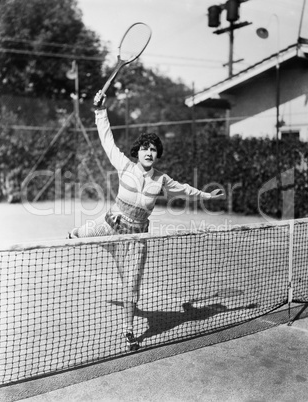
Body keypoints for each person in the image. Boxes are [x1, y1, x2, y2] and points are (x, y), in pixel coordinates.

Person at [69, 90, 224, 351]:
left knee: (131, 286)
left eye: (153, 149)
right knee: (77, 235)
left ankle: (128, 331)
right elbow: (107, 140)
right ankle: (83, 237)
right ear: (137, 152)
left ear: (157, 154)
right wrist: (100, 111)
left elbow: (185, 189)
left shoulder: (162, 180)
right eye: (144, 148)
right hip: (110, 223)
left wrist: (207, 194)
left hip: (138, 237)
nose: (149, 152)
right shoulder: (125, 166)